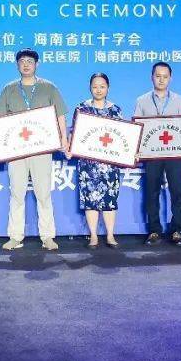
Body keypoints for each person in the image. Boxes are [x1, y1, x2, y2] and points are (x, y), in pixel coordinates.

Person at [0, 49, 69, 251]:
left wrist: (64, 138)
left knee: (43, 194)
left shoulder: (49, 87)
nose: (26, 64)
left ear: (37, 64)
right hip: (17, 151)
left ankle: (48, 236)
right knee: (17, 194)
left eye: (30, 61)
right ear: (17, 65)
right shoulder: (9, 89)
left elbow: (60, 116)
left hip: (42, 150)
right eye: (22, 61)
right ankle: (15, 236)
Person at [133, 61, 181, 246]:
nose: (161, 79)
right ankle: (154, 231)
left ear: (170, 78)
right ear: (152, 77)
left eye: (165, 76)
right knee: (152, 192)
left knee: (177, 192)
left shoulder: (179, 100)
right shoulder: (142, 100)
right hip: (152, 154)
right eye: (158, 76)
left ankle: (176, 230)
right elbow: (137, 127)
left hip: (174, 153)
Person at [69, 73, 122, 249]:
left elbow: (122, 136)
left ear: (108, 88)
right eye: (95, 87)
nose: (98, 90)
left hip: (109, 163)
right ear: (90, 88)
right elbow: (74, 133)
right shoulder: (81, 108)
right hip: (88, 163)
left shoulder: (115, 110)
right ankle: (93, 236)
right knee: (90, 199)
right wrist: (70, 148)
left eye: (102, 86)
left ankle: (110, 235)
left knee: (109, 199)